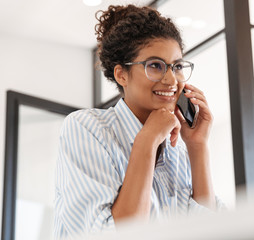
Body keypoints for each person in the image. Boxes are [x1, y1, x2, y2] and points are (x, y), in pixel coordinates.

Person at [54, 4, 224, 239]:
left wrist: (198, 146)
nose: (171, 79)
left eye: (176, 66)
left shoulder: (178, 151)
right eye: (155, 65)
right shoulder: (87, 128)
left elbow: (211, 233)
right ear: (121, 74)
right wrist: (147, 139)